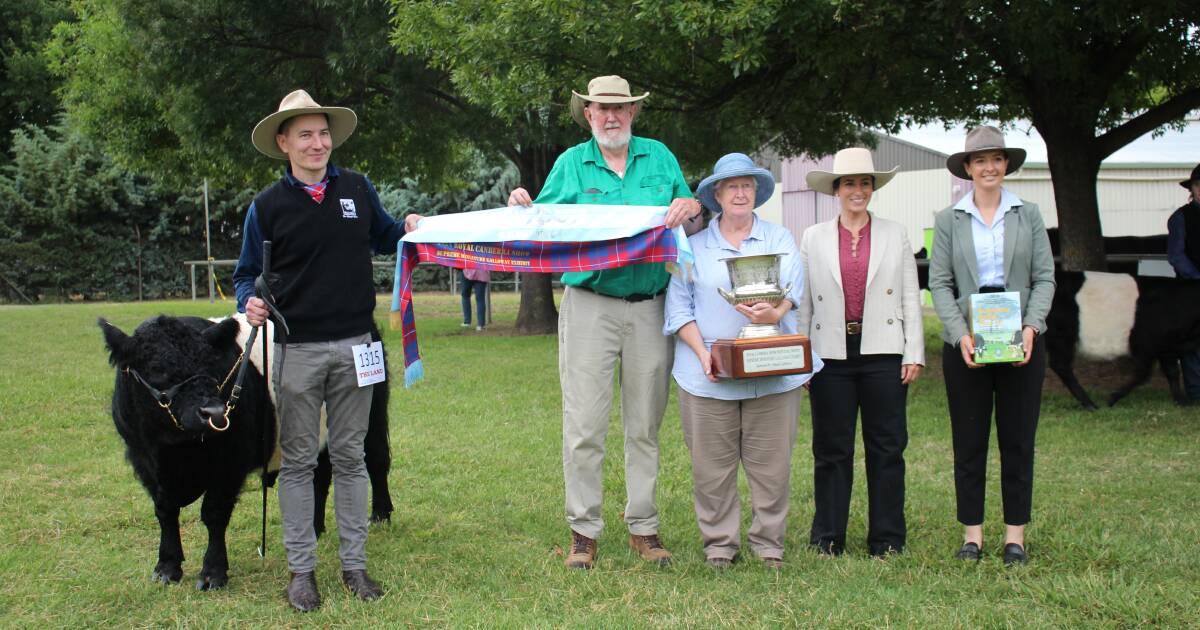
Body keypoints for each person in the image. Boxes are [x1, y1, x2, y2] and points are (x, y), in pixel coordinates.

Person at [507, 75, 703, 569]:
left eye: (620, 108)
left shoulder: (660, 157)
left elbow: (693, 216)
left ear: (633, 113)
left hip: (650, 304)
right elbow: (542, 222)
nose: (611, 116)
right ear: (589, 115)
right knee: (584, 423)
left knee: (645, 424)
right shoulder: (572, 164)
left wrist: (693, 205)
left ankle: (644, 526)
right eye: (601, 109)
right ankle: (583, 531)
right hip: (590, 303)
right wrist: (521, 207)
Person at [234, 89, 418, 611]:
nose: (318, 143)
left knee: (351, 457)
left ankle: (355, 566)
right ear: (284, 142)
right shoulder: (266, 207)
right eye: (306, 135)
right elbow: (246, 274)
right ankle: (301, 572)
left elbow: (385, 236)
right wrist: (250, 302)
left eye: (323, 133)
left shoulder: (356, 188)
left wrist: (410, 229)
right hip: (298, 351)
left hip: (359, 345)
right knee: (296, 463)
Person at [664, 153, 819, 568]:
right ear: (717, 194)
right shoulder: (691, 247)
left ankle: (769, 544)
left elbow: (794, 293)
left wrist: (775, 313)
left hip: (773, 371)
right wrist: (704, 354)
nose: (739, 192)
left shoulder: (780, 239)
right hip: (706, 376)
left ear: (756, 192)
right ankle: (720, 545)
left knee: (771, 467)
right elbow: (679, 310)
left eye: (747, 185)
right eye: (731, 186)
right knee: (711, 470)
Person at [929, 126, 1055, 566]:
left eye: (996, 159)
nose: (989, 167)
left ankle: (1014, 537)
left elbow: (1045, 277)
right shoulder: (948, 219)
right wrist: (959, 333)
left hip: (1020, 341)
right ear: (967, 168)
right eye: (980, 160)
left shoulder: (1029, 214)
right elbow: (940, 283)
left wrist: (1032, 327)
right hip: (966, 343)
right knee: (970, 439)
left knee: (1018, 439)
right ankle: (973, 535)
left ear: (1006, 165)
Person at [797, 148, 924, 557]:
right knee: (832, 448)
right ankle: (827, 536)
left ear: (873, 188)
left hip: (884, 351)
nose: (858, 190)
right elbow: (804, 303)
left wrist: (913, 352)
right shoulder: (813, 236)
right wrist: (802, 359)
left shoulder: (895, 232)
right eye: (850, 183)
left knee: (887, 447)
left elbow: (909, 296)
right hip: (830, 354)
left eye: (865, 183)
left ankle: (887, 538)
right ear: (836, 189)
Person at [1167, 163, 1200, 402]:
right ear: (1193, 189)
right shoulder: (1180, 217)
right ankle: (1196, 392)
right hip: (1190, 291)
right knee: (1193, 342)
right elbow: (1176, 255)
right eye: (1199, 185)